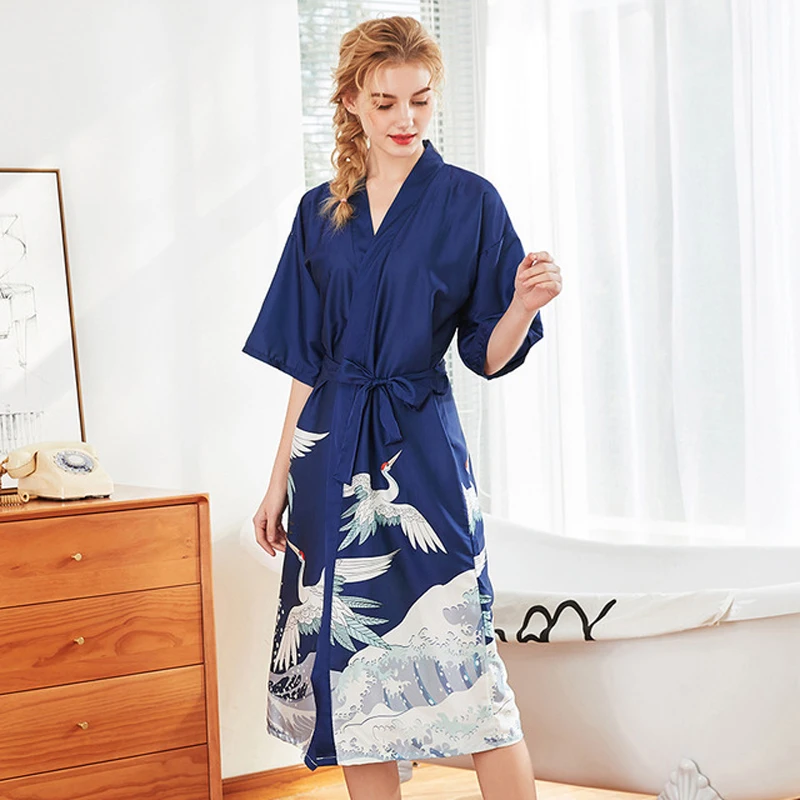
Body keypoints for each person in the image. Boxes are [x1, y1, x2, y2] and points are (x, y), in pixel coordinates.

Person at [245, 16, 562, 800]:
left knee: (469, 669)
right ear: (352, 100)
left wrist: (522, 306)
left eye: (420, 100)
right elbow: (306, 364)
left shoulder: (470, 202)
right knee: (349, 672)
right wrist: (278, 479)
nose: (406, 119)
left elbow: (486, 355)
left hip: (420, 447)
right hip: (329, 449)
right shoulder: (320, 211)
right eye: (386, 102)